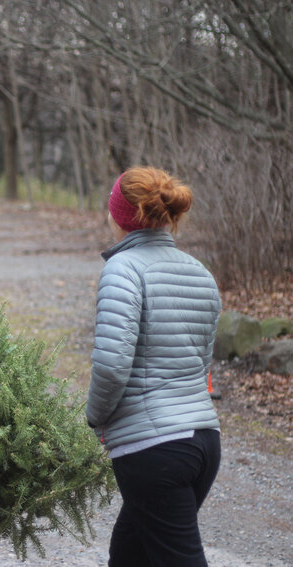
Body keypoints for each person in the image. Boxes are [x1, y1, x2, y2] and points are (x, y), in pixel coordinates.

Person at [86, 166, 222, 567]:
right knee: (130, 553)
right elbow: (201, 366)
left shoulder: (122, 270)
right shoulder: (200, 273)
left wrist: (96, 418)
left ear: (119, 216)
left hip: (154, 450)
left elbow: (111, 366)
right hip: (203, 444)